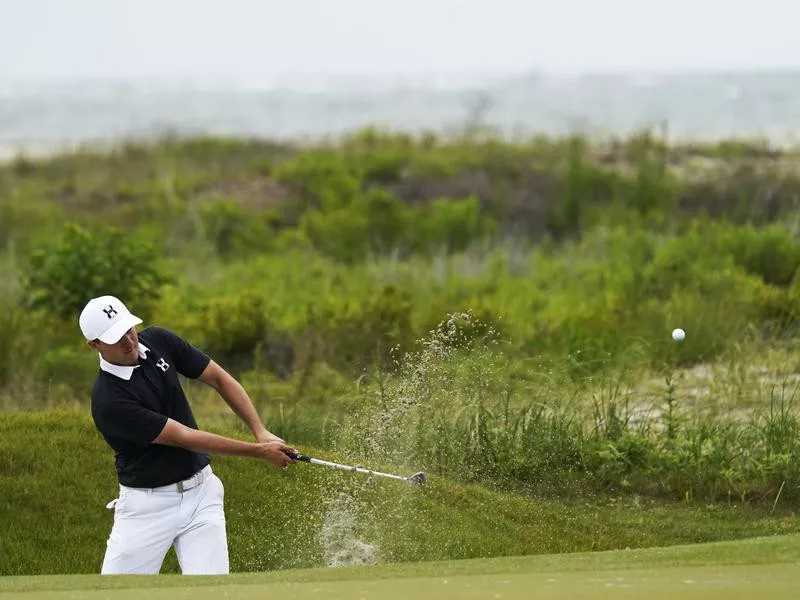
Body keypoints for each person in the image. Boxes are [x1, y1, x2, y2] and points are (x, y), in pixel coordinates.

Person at [78, 294, 296, 575]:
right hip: (147, 508)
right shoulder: (109, 401)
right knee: (115, 592)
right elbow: (184, 437)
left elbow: (218, 377)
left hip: (202, 494)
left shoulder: (158, 340)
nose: (129, 341)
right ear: (94, 344)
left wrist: (260, 431)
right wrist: (258, 451)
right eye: (116, 338)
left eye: (128, 329)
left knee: (213, 591)